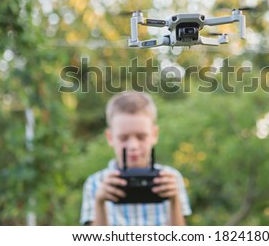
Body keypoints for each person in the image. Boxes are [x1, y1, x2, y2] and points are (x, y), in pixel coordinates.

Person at [80, 91, 191, 225]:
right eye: (123, 138)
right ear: (110, 137)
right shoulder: (95, 184)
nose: (133, 146)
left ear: (154, 135)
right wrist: (100, 202)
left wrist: (174, 200)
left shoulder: (170, 179)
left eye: (141, 137)